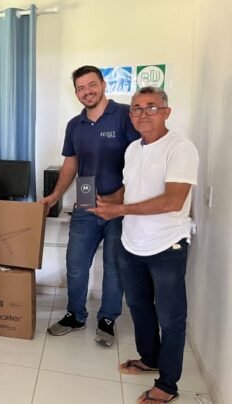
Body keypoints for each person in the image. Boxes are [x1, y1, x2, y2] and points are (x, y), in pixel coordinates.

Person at [89, 86, 198, 404]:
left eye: (151, 107)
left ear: (166, 112)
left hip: (166, 246)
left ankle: (168, 385)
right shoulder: (133, 149)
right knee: (138, 307)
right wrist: (105, 202)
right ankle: (150, 358)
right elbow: (129, 189)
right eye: (136, 108)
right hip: (132, 244)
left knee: (171, 318)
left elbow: (173, 200)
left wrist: (119, 210)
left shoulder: (180, 148)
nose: (142, 114)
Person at [41, 65, 140, 346]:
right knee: (75, 264)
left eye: (92, 85)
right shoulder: (75, 125)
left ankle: (107, 319)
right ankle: (75, 315)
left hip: (119, 208)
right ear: (76, 93)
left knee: (114, 267)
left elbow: (140, 159)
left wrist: (120, 197)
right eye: (81, 88)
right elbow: (70, 165)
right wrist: (54, 196)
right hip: (85, 205)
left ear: (103, 84)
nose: (87, 92)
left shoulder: (124, 115)